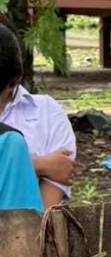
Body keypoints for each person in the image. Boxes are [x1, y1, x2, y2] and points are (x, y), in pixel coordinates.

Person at [0, 22, 75, 209]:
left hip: (24, 232)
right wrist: (40, 165)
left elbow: (38, 216)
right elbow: (55, 169)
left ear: (15, 80)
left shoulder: (46, 113)